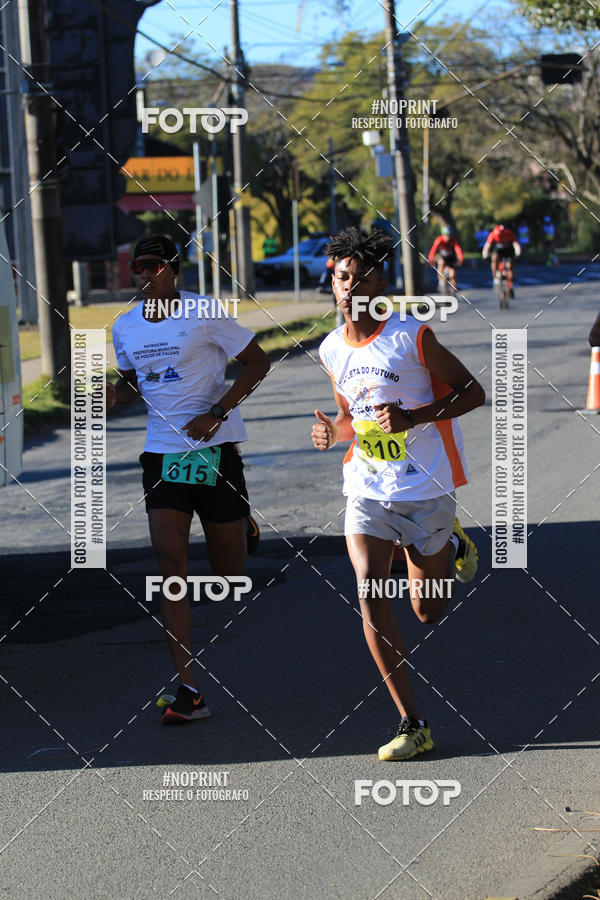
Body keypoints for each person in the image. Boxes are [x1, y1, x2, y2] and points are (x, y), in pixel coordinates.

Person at [311, 227, 485, 761]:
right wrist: (330, 432)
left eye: (359, 278)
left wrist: (416, 415)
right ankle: (413, 722)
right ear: (333, 281)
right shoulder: (331, 348)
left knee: (427, 611)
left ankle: (450, 545)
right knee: (369, 593)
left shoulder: (411, 337)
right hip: (366, 486)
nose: (349, 288)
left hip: (425, 486)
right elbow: (350, 418)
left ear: (378, 283)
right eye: (342, 277)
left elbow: (472, 392)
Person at [107, 235, 270, 724]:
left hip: (214, 451)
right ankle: (188, 687)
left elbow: (258, 362)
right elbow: (136, 380)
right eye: (138, 266)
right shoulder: (126, 326)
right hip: (162, 454)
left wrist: (218, 412)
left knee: (229, 576)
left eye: (154, 265)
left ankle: (242, 523)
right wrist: (114, 395)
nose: (144, 274)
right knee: (170, 563)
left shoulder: (205, 313)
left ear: (174, 269)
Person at [482, 224, 521, 298]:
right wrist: (485, 256)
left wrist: (517, 254)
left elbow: (516, 244)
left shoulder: (509, 233)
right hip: (499, 249)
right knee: (494, 260)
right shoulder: (493, 233)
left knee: (509, 266)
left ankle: (510, 286)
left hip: (508, 250)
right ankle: (495, 279)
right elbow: (487, 246)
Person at [428, 226, 464, 291]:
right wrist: (431, 260)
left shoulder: (453, 240)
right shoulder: (439, 240)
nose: (447, 237)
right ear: (443, 235)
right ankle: (441, 281)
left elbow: (458, 250)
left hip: (451, 259)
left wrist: (460, 259)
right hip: (443, 257)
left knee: (452, 275)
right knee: (441, 262)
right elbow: (433, 250)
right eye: (446, 235)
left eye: (449, 235)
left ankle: (453, 292)